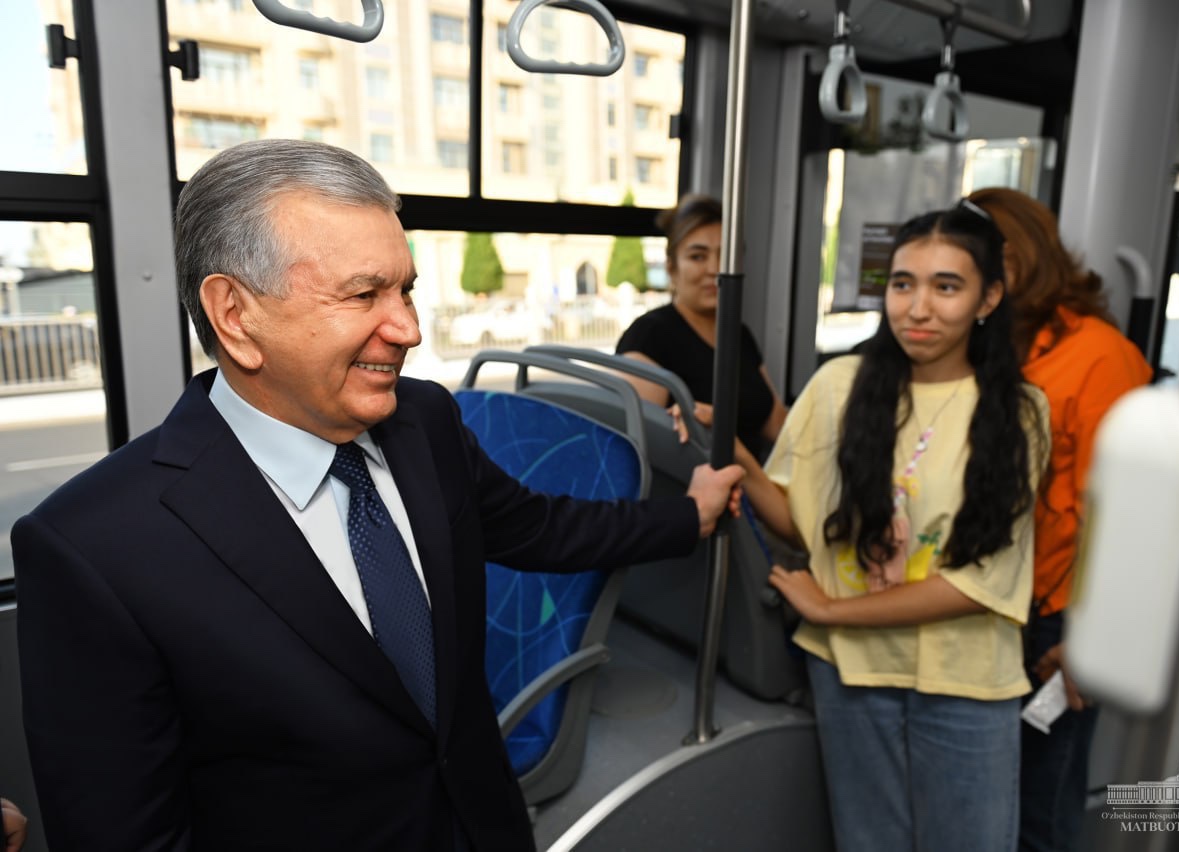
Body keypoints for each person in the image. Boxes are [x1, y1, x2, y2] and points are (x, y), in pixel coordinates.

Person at [12, 139, 743, 852]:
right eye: (364, 294)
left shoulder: (426, 421)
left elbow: (539, 528)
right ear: (235, 314)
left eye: (406, 289)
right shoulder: (96, 551)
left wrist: (690, 513)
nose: (410, 330)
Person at [737, 203, 1049, 851]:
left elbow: (979, 584)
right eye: (903, 284)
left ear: (989, 298)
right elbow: (802, 525)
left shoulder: (1019, 411)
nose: (918, 308)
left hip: (964, 680)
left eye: (946, 286)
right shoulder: (839, 386)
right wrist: (728, 452)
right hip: (852, 674)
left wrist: (831, 610)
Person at [970, 186, 1153, 852]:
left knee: (1038, 813)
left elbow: (1129, 517)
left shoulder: (1100, 355)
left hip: (1058, 619)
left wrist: (1090, 638)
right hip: (988, 604)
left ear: (1018, 258)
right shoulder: (987, 348)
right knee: (985, 805)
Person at [615, 194, 787, 459]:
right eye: (697, 257)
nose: (715, 269)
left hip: (755, 479)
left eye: (725, 256)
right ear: (672, 269)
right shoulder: (650, 336)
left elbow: (778, 424)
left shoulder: (738, 334)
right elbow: (636, 450)